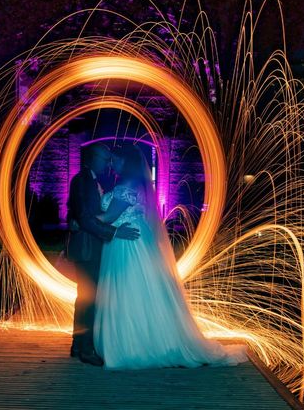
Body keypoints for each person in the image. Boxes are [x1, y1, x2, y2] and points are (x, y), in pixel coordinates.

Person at [93, 144, 249, 369]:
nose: (112, 164)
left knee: (128, 290)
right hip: (135, 240)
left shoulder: (124, 188)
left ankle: (133, 345)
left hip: (127, 244)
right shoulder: (135, 185)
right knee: (143, 291)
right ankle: (150, 338)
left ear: (126, 162)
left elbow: (108, 217)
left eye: (115, 160)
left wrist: (83, 217)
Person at [66, 143, 140, 366]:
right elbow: (85, 216)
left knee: (87, 298)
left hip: (93, 247)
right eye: (105, 158)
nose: (108, 163)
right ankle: (85, 348)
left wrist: (78, 221)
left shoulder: (94, 180)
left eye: (110, 159)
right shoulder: (82, 180)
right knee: (89, 299)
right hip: (87, 248)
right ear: (91, 158)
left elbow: (86, 216)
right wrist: (114, 231)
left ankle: (79, 345)